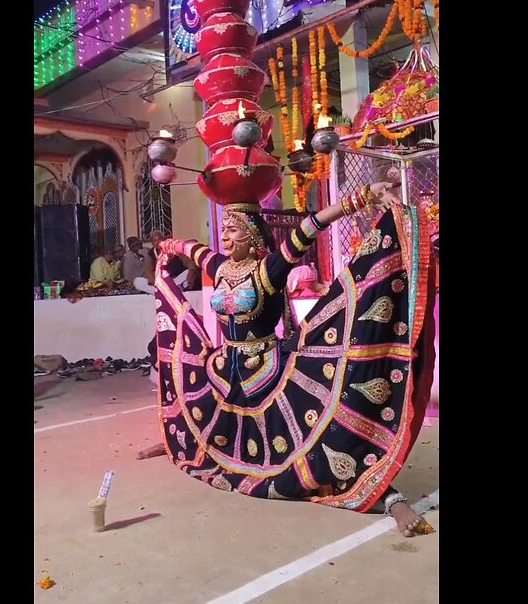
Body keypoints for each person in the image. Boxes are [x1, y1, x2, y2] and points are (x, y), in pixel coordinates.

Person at [136, 182, 437, 536]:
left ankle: (387, 497)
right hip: (226, 367)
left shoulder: (269, 269)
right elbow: (192, 248)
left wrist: (363, 196)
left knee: (327, 431)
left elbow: (312, 226)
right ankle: (179, 439)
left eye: (233, 230)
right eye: (225, 230)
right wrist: (168, 247)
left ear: (251, 235)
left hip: (268, 366)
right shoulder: (219, 267)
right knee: (193, 385)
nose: (227, 238)